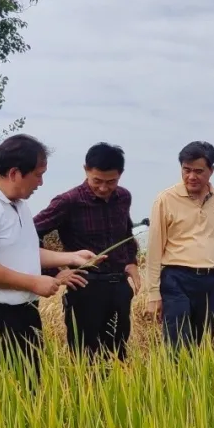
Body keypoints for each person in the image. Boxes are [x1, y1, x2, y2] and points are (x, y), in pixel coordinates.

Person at [0, 134, 100, 376]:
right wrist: (34, 282)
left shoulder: (18, 204)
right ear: (15, 173)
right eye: (38, 175)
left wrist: (70, 257)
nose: (40, 183)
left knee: (28, 396)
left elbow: (25, 251)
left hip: (22, 317)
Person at [33, 142, 141, 361]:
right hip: (85, 286)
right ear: (86, 170)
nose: (103, 188)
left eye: (111, 182)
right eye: (97, 181)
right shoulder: (68, 201)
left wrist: (131, 261)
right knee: (85, 356)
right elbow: (29, 233)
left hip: (119, 286)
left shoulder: (123, 197)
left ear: (120, 175)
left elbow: (127, 232)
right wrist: (55, 273)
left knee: (118, 353)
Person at [145, 141, 214, 352]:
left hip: (210, 281)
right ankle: (176, 384)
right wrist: (153, 294)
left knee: (204, 346)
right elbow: (154, 249)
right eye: (186, 170)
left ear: (211, 171)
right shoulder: (165, 199)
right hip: (176, 279)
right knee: (177, 345)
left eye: (198, 171)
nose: (191, 176)